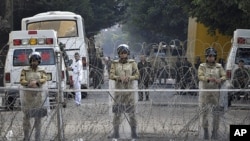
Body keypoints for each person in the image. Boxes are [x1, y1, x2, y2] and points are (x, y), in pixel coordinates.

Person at [109, 44, 140, 139]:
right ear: (119, 54)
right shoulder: (114, 63)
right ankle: (116, 133)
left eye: (125, 53)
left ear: (128, 53)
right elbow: (111, 75)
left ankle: (134, 133)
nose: (123, 55)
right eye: (121, 53)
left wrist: (129, 78)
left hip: (129, 92)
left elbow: (137, 75)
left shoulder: (132, 63)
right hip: (118, 92)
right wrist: (118, 78)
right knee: (117, 113)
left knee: (132, 113)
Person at [198, 47, 226, 140]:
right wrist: (208, 79)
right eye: (209, 56)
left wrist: (219, 80)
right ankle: (205, 130)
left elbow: (224, 75)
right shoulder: (202, 66)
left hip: (215, 93)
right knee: (204, 113)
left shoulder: (219, 66)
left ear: (215, 57)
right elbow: (200, 76)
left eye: (212, 56)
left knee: (216, 113)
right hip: (205, 92)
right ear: (206, 57)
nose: (211, 58)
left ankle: (215, 131)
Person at [20, 52, 48, 141]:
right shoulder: (25, 70)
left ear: (39, 61)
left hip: (38, 99)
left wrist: (37, 82)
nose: (34, 63)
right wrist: (29, 83)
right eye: (32, 61)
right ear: (30, 61)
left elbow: (45, 78)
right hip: (27, 99)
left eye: (36, 61)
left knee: (38, 120)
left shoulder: (42, 70)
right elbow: (22, 80)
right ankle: (27, 137)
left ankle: (37, 137)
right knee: (26, 119)